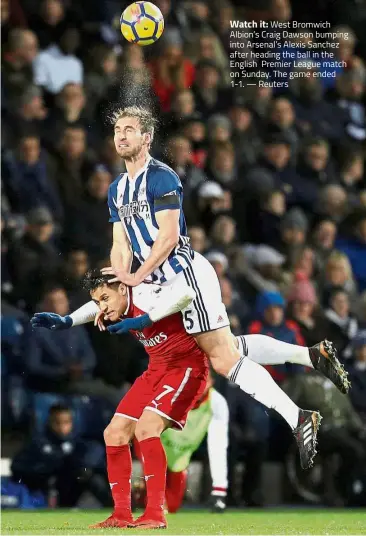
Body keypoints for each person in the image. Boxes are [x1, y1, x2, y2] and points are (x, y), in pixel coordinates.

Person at [99, 105, 349, 456]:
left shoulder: (162, 177)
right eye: (117, 130)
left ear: (147, 137)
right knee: (226, 346)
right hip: (156, 285)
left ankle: (298, 418)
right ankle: (312, 355)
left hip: (184, 278)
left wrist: (136, 275)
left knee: (222, 359)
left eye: (129, 129)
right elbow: (119, 244)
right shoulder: (116, 190)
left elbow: (169, 238)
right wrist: (121, 285)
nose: (121, 136)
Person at [33, 270, 209, 529]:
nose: (102, 307)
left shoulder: (147, 293)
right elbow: (97, 305)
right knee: (114, 433)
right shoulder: (117, 302)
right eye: (99, 302)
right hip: (156, 369)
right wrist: (67, 320)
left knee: (147, 427)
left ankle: (155, 514)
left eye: (106, 298)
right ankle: (122, 514)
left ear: (123, 289)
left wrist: (144, 320)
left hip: (186, 366)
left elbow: (187, 294)